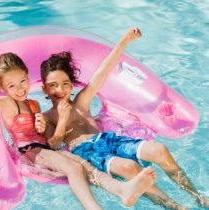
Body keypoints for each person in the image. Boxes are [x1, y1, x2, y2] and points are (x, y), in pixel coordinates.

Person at [0, 52, 156, 209]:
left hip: (46, 148)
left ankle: (122, 190)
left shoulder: (34, 105)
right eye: (12, 86)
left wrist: (42, 126)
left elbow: (50, 139)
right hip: (31, 151)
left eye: (22, 81)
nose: (20, 89)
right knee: (73, 168)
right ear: (2, 88)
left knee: (84, 166)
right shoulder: (7, 103)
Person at [41, 27, 209, 210]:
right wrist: (63, 120)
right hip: (87, 150)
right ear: (45, 89)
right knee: (130, 168)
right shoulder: (47, 117)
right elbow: (54, 145)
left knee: (160, 150)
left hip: (110, 139)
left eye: (65, 84)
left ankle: (196, 196)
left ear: (72, 85)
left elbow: (102, 72)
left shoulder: (80, 102)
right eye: (53, 85)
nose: (60, 90)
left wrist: (124, 41)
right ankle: (175, 207)